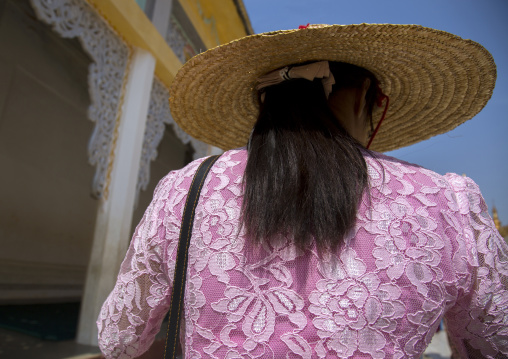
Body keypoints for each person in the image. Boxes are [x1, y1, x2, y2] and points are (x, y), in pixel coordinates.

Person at [97, 24, 508, 358]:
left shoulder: (184, 191)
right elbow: (494, 344)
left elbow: (119, 340)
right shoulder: (450, 204)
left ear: (265, 103)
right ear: (365, 93)